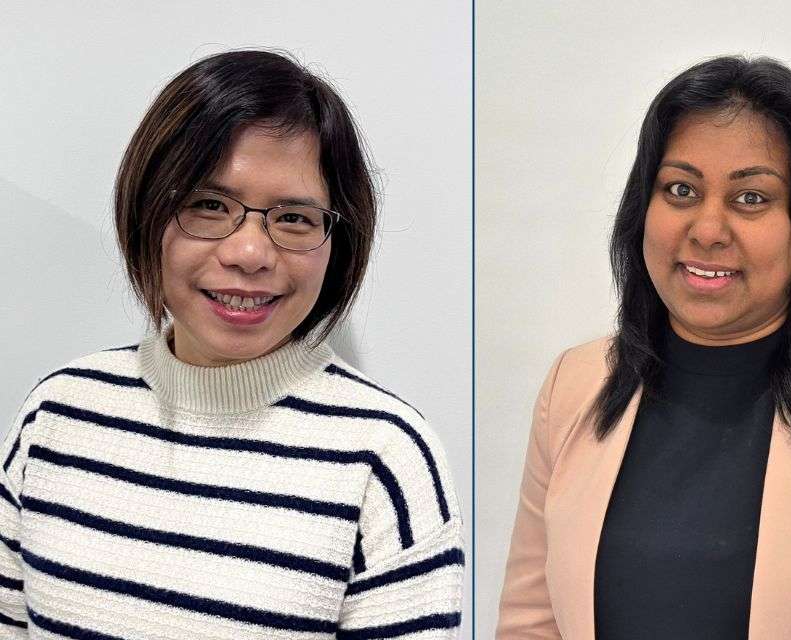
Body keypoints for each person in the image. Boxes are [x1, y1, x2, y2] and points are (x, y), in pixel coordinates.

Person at [0, 50, 463, 639]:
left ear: (335, 243)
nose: (249, 253)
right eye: (209, 206)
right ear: (147, 212)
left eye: (294, 217)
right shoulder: (57, 415)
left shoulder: (386, 457)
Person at [496, 56, 791, 639]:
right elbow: (531, 623)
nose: (708, 229)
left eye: (751, 199)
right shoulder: (576, 384)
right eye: (681, 189)